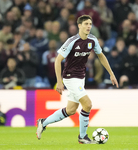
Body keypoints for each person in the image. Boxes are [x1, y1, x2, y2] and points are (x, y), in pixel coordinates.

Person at [36, 15, 118, 144]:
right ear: (79, 26)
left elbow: (101, 56)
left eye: (90, 24)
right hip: (70, 77)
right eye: (86, 24)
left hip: (81, 78)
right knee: (88, 104)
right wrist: (59, 81)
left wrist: (111, 73)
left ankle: (43, 122)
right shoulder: (72, 41)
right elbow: (58, 60)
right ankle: (82, 136)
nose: (88, 26)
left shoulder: (92, 40)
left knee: (71, 110)